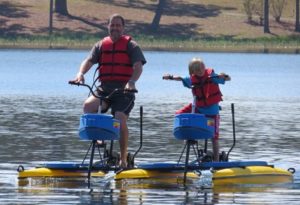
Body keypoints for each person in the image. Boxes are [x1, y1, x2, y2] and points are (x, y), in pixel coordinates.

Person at [70, 14, 146, 168]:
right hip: (105, 89)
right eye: (112, 25)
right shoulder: (100, 45)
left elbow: (138, 66)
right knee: (88, 107)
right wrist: (80, 74)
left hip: (124, 91)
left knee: (119, 117)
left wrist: (131, 82)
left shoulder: (131, 45)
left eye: (118, 25)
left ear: (123, 28)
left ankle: (123, 159)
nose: (115, 28)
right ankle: (99, 138)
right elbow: (89, 61)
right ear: (108, 26)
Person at [163, 58, 230, 161]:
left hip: (212, 112)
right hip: (198, 108)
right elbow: (180, 78)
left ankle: (216, 162)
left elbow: (228, 79)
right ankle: (188, 137)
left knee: (214, 137)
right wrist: (170, 77)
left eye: (202, 67)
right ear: (193, 72)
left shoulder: (211, 76)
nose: (201, 70)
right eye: (198, 69)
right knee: (179, 114)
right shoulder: (192, 79)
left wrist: (224, 76)